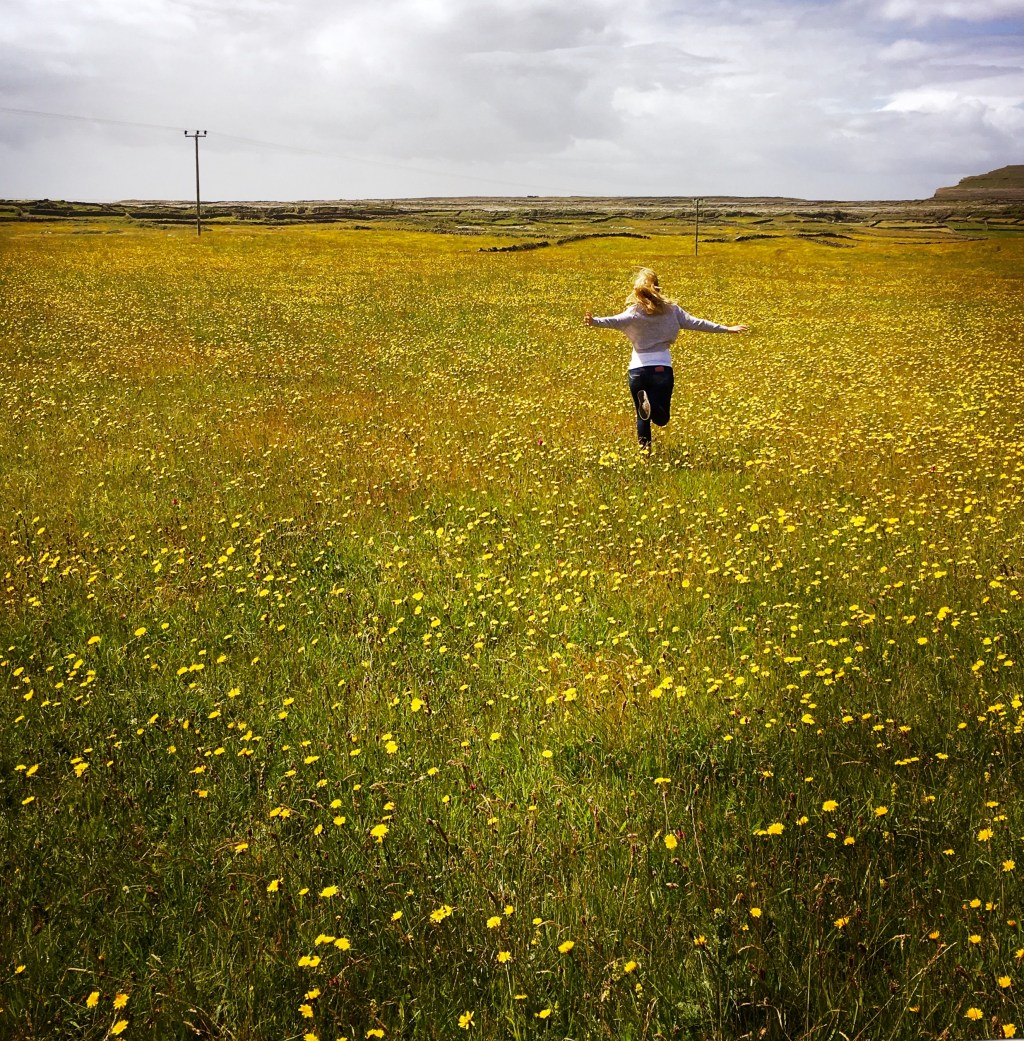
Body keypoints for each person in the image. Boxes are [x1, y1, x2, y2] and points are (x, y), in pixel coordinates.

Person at [585, 268, 748, 451]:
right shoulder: (672, 310)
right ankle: (652, 405)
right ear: (658, 287)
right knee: (661, 418)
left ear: (637, 290)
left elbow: (612, 320)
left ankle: (645, 456)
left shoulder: (633, 312)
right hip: (662, 369)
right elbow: (698, 323)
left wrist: (594, 321)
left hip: (638, 371)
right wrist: (726, 328)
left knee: (642, 416)